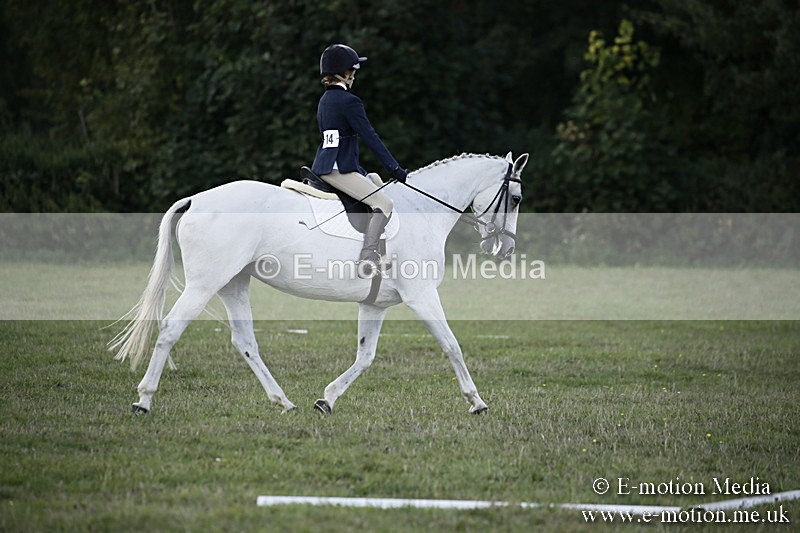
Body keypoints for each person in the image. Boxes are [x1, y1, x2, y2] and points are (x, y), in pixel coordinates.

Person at [310, 44, 408, 278]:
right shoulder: (348, 101)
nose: (355, 75)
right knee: (385, 204)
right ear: (344, 73)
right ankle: (367, 258)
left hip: (328, 163)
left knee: (374, 179)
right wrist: (394, 168)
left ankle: (382, 251)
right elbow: (370, 137)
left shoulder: (326, 99)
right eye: (352, 70)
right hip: (337, 169)